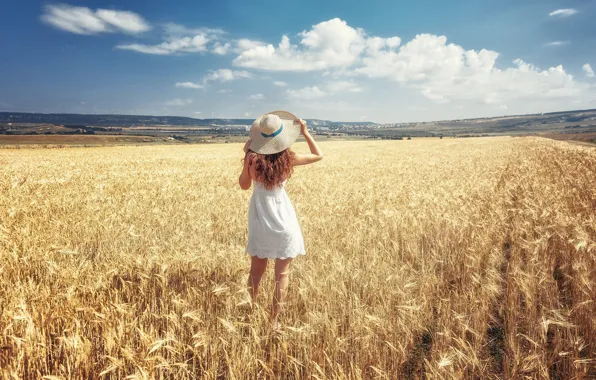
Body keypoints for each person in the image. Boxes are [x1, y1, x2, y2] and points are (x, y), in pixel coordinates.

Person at [238, 110, 323, 325]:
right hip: (284, 217)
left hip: (260, 218)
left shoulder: (253, 159)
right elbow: (318, 155)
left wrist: (247, 157)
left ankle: (249, 315)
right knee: (282, 274)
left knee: (256, 272)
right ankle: (274, 320)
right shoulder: (288, 159)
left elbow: (244, 185)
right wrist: (304, 132)